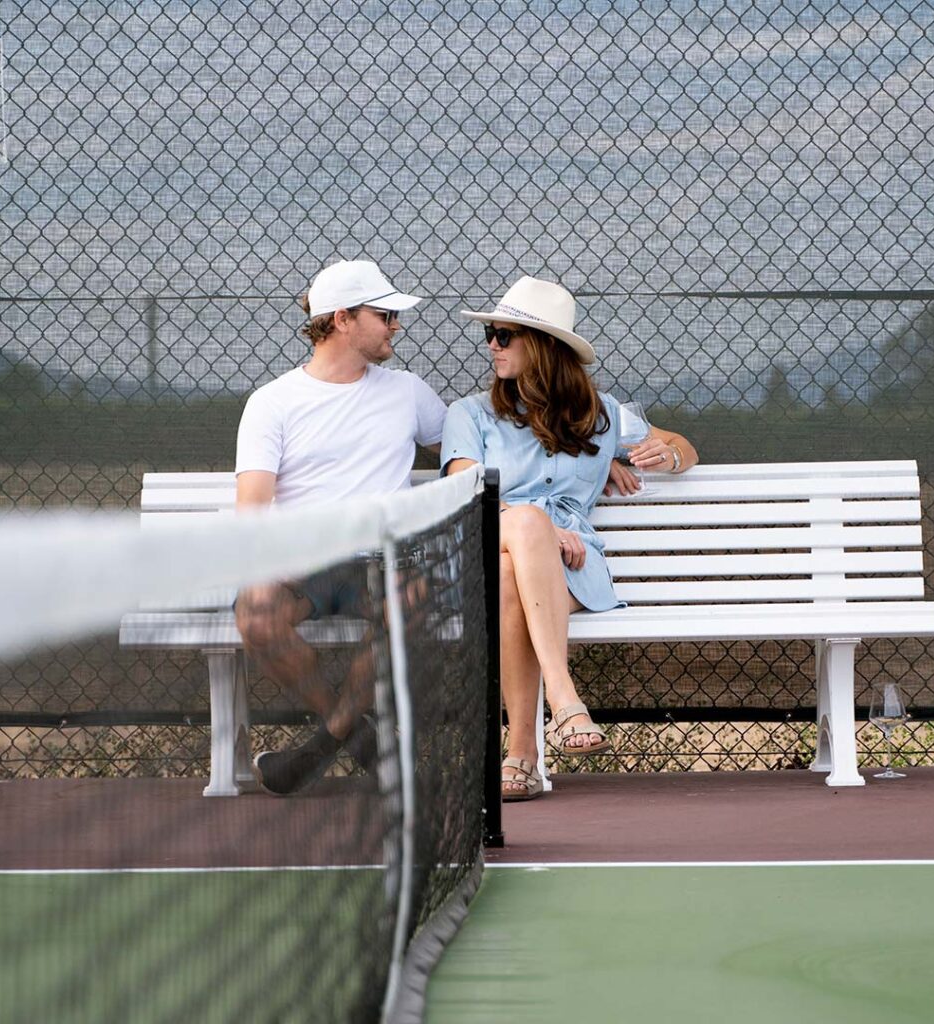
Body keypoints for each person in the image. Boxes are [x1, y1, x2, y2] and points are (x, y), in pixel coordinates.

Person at [441, 276, 698, 801]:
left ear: (544, 346)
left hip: (573, 568)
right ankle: (563, 698)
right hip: (486, 555)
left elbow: (682, 446)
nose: (492, 344)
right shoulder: (470, 414)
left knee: (516, 574)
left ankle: (522, 755)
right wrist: (538, 524)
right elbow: (464, 488)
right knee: (520, 541)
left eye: (505, 335)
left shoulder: (598, 415)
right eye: (491, 333)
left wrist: (663, 456)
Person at [234, 259, 447, 795]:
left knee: (412, 599)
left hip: (382, 563)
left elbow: (463, 456)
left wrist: (594, 454)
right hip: (303, 563)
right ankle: (353, 731)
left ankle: (320, 748)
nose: (397, 324)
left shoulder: (408, 392)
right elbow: (253, 506)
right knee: (257, 615)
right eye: (386, 314)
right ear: (342, 319)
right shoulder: (273, 402)